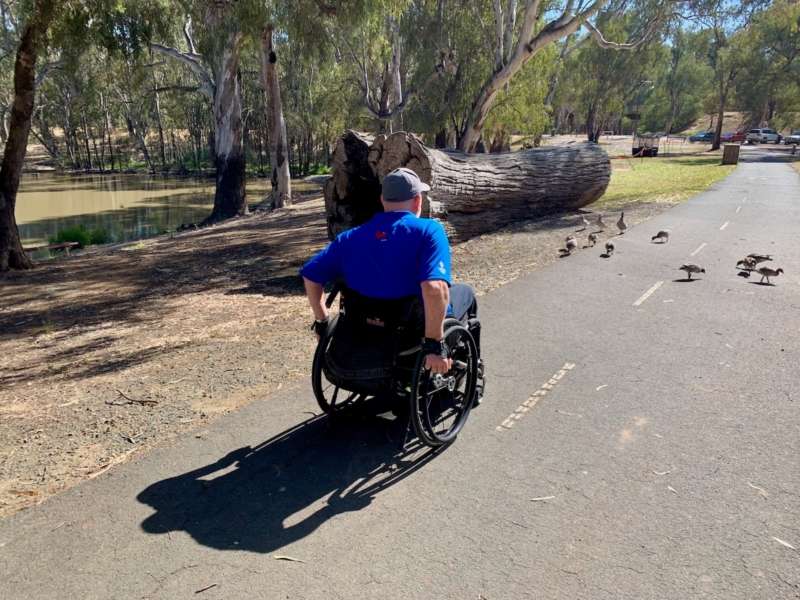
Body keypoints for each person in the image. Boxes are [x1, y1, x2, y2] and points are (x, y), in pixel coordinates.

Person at [300, 168, 483, 398]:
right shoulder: (429, 231)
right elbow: (434, 289)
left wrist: (322, 321)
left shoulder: (350, 237)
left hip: (364, 328)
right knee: (465, 293)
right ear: (417, 201)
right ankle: (471, 377)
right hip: (412, 332)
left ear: (382, 200)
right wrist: (434, 344)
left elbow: (311, 276)